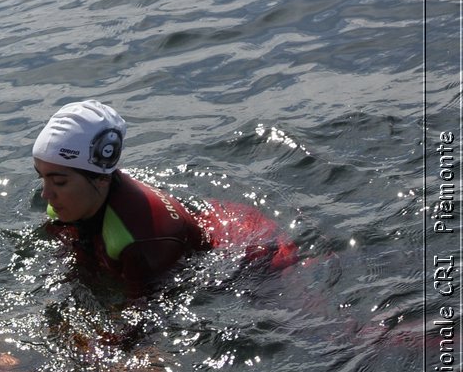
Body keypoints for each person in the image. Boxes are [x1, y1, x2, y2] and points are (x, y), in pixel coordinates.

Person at [33, 100, 297, 295]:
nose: (46, 193)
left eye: (59, 181)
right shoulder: (72, 200)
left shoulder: (143, 240)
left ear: (102, 177)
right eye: (41, 177)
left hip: (252, 252)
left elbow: (140, 329)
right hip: (208, 220)